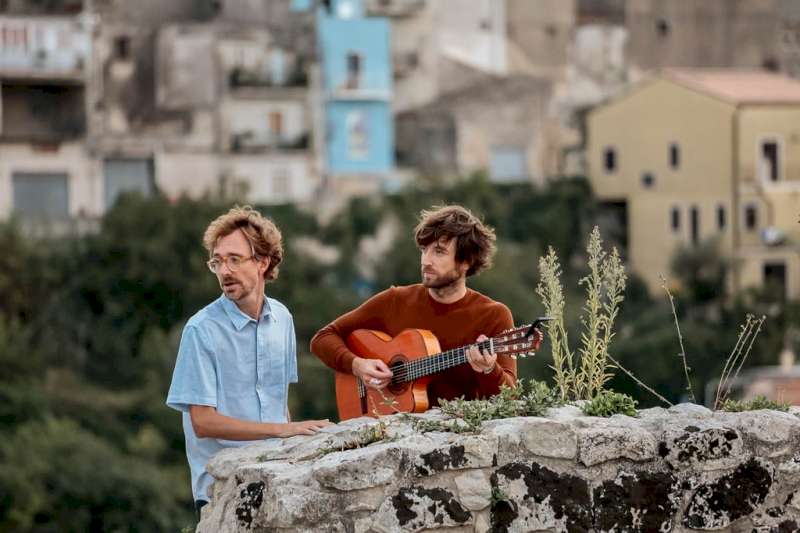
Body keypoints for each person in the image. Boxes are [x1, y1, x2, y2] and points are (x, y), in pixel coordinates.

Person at [167, 206, 331, 514]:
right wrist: (282, 430)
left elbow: (279, 404)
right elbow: (202, 423)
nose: (224, 271)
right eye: (217, 262)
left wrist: (290, 434)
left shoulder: (283, 318)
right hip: (223, 489)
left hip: (279, 475)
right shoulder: (200, 331)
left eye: (234, 259)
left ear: (262, 262)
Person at [311, 204, 516, 408]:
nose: (426, 260)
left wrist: (490, 370)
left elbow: (510, 400)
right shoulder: (395, 300)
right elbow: (323, 338)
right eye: (424, 250)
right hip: (390, 428)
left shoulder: (494, 315)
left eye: (439, 252)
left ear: (466, 261)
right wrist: (358, 365)